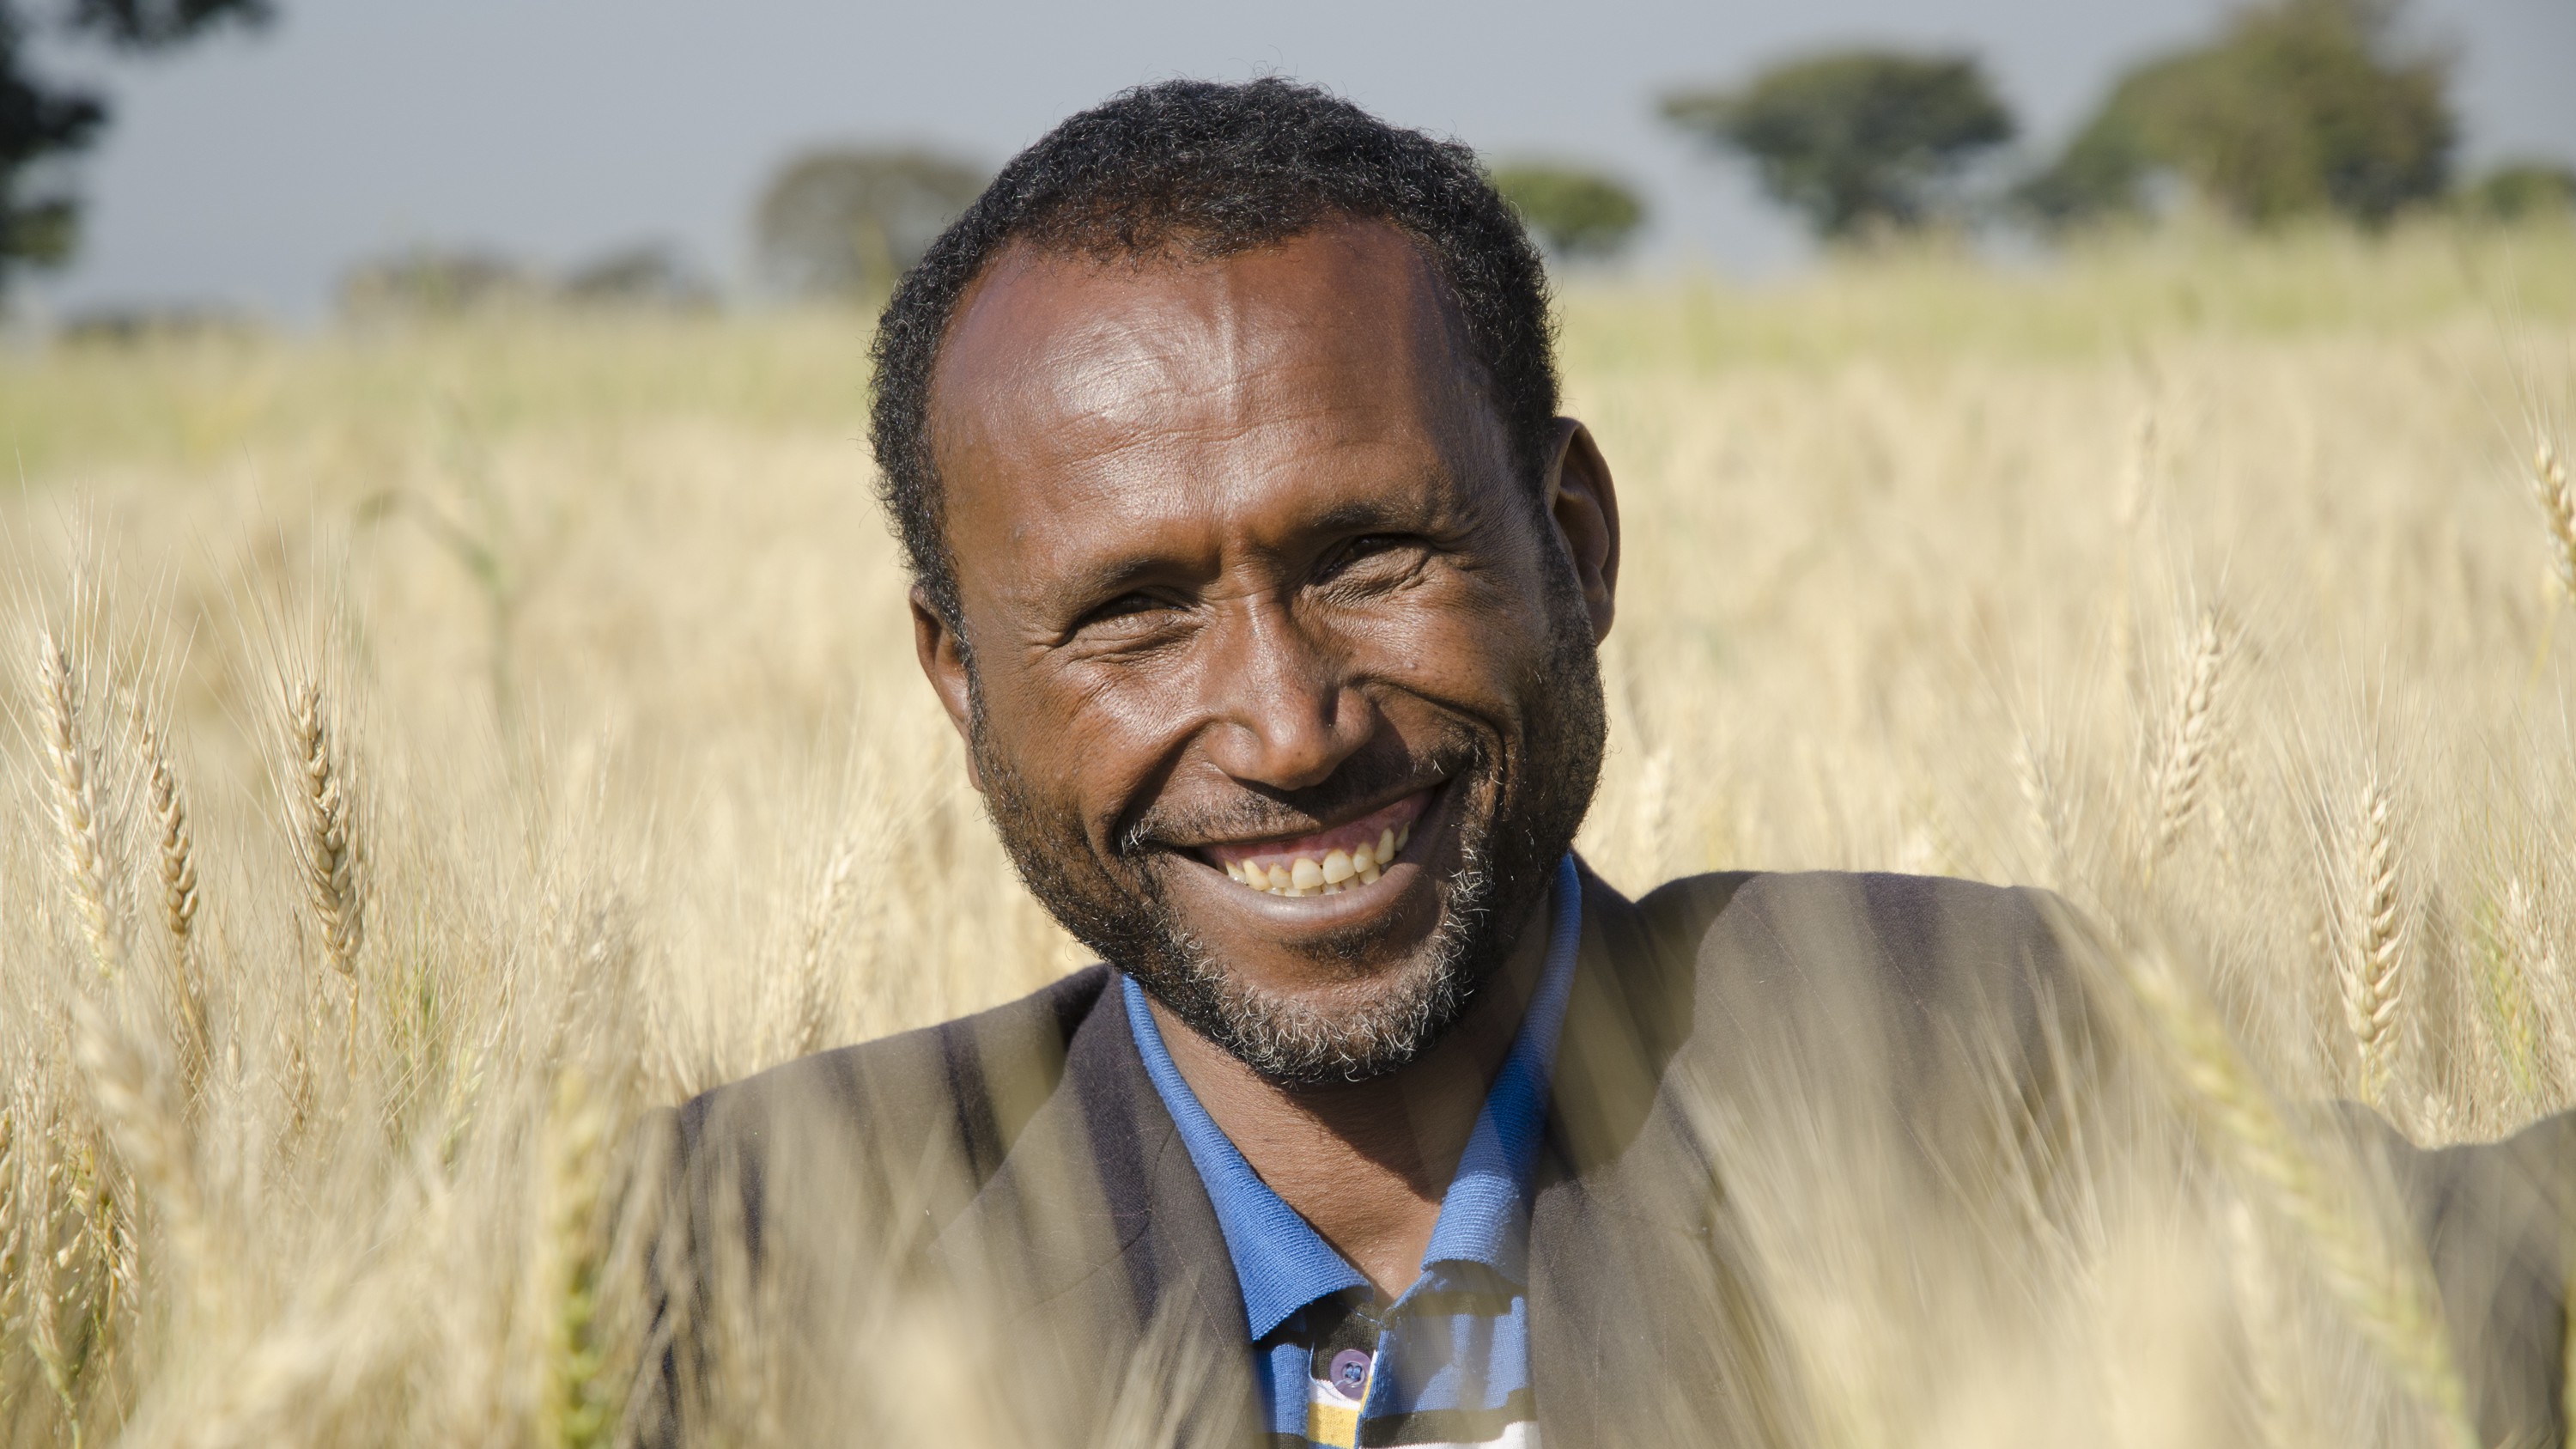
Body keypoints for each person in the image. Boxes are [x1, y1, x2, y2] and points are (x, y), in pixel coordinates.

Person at [637, 78, 2572, 1448]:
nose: (1291, 724)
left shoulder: (1954, 1057)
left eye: (1371, 555)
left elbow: (2492, 1300)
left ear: (1575, 540)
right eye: (1136, 613)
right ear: (960, 682)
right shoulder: (737, 1259)